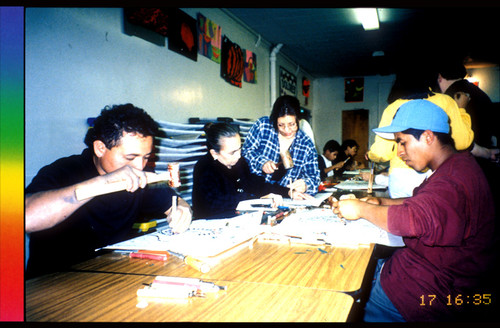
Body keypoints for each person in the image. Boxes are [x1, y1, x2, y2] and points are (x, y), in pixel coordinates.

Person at [332, 99, 495, 322]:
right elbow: (421, 202)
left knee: (342, 301)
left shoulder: (453, 179)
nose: (399, 152)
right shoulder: (455, 167)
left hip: (428, 294)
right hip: (417, 273)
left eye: (402, 142)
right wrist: (380, 203)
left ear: (428, 137)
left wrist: (360, 208)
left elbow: (414, 219)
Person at [25, 104, 192, 278]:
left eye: (146, 157)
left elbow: (173, 202)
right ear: (100, 148)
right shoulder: (64, 171)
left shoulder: (141, 177)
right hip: (52, 284)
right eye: (130, 157)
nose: (139, 166)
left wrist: (181, 208)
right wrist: (102, 183)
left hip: (110, 276)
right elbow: (26, 218)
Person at [367, 68, 474, 198]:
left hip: (401, 178)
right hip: (437, 172)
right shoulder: (445, 101)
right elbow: (463, 142)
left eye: (402, 142)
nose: (400, 151)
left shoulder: (393, 107)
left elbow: (381, 153)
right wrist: (461, 110)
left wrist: (371, 155)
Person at [192, 123, 312, 219]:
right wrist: (257, 200)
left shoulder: (239, 162)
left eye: (239, 149)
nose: (239, 156)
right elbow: (216, 203)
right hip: (210, 223)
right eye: (232, 152)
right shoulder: (204, 167)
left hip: (237, 219)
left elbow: (256, 185)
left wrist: (288, 192)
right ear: (214, 153)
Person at [242, 95, 320, 195]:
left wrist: (306, 185)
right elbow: (246, 151)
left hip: (284, 197)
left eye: (292, 124)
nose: (287, 130)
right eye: (281, 125)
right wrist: (262, 162)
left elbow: (314, 178)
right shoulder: (263, 126)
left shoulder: (306, 145)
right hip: (253, 192)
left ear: (298, 120)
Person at [437, 60, 498, 155]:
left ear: (439, 77)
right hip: (486, 151)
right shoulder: (479, 92)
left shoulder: (447, 99)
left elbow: (456, 139)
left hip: (466, 155)